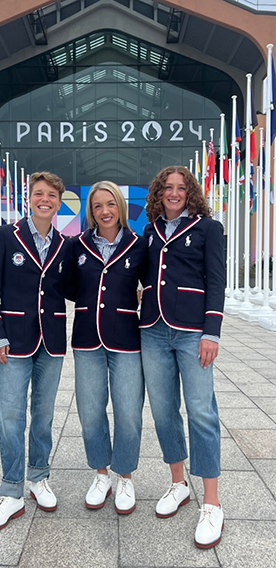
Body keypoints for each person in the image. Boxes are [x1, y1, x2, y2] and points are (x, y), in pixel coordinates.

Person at [0, 171, 72, 533]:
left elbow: (78, 288)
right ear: (29, 198)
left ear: (59, 202)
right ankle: (10, 491)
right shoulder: (5, 235)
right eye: (39, 193)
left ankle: (38, 477)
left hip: (50, 342)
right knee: (11, 417)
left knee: (44, 415)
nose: (44, 199)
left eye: (51, 194)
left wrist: (129, 291)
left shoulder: (66, 244)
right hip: (12, 342)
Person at [140, 166, 225, 549]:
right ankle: (178, 484)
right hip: (154, 331)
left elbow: (216, 280)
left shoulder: (209, 229)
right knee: (162, 410)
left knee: (201, 410)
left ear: (191, 193)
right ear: (159, 193)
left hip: (192, 332)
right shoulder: (151, 230)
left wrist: (211, 332)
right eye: (168, 188)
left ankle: (212, 502)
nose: (174, 193)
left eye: (181, 188)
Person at [70, 181, 147, 514]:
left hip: (127, 340)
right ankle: (101, 474)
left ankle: (125, 476)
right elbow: (69, 286)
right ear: (91, 210)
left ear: (120, 207)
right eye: (98, 205)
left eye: (110, 204)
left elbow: (153, 283)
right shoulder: (76, 245)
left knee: (129, 415)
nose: (105, 211)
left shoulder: (138, 245)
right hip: (87, 338)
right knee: (90, 413)